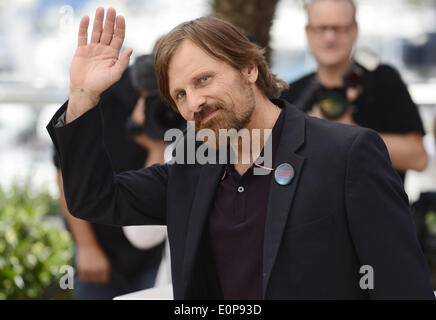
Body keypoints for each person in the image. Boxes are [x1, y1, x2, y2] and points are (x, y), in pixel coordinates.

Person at [47, 7, 434, 299]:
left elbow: (401, 285)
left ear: (249, 67)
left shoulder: (347, 153)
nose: (194, 102)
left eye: (204, 79)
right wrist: (83, 96)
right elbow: (94, 199)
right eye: (180, 95)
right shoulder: (189, 167)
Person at [281, 0, 428, 182]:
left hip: (375, 207)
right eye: (321, 28)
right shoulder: (291, 93)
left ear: (355, 30)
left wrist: (348, 131)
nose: (330, 37)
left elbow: (418, 158)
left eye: (339, 28)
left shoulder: (382, 80)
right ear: (308, 32)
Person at [54, 64, 166, 300]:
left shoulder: (179, 112)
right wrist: (86, 246)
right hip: (100, 244)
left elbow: (149, 222)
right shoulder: (103, 94)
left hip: (154, 251)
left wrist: (156, 146)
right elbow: (67, 175)